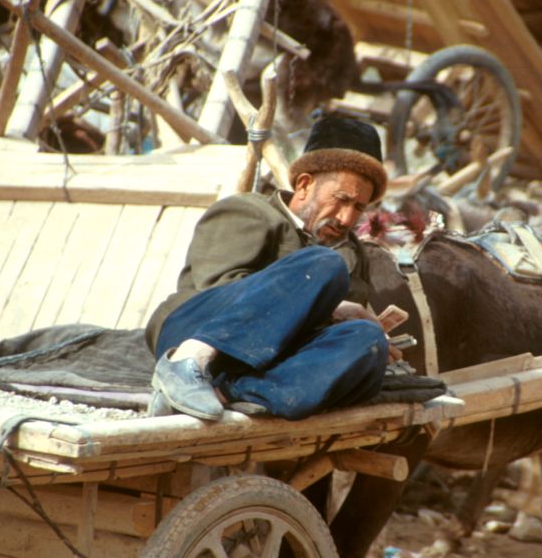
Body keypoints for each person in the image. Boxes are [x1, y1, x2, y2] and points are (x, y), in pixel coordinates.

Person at [144, 116, 398, 421]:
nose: (346, 218)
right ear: (304, 185)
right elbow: (216, 287)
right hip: (195, 329)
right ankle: (183, 367)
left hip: (268, 359)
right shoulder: (248, 211)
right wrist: (330, 307)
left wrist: (361, 337)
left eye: (358, 208)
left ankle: (230, 393)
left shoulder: (352, 251)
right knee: (323, 265)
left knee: (367, 339)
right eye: (342, 199)